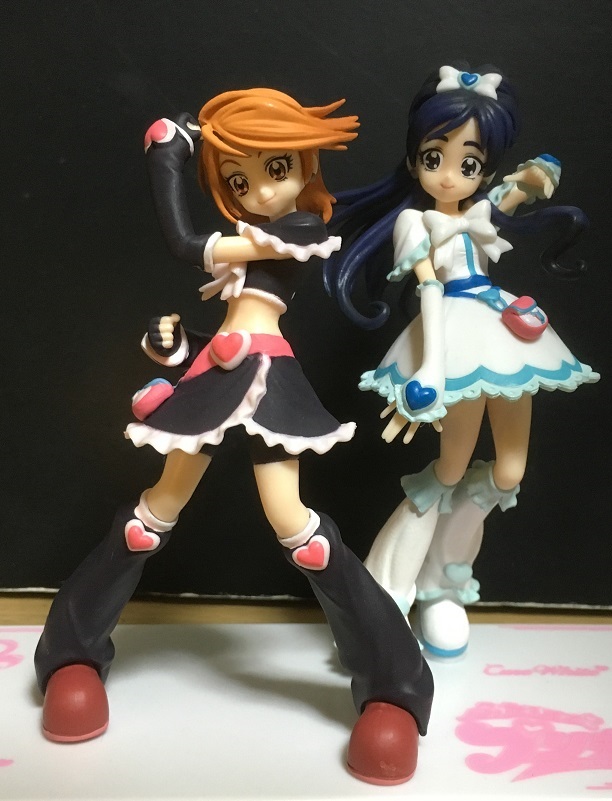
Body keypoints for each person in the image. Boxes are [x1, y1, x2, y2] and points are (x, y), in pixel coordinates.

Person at [34, 88, 433, 786]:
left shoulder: (301, 229)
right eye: (238, 181)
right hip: (216, 372)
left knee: (297, 527)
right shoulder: (248, 249)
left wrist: (166, 156)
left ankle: (394, 685)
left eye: (275, 169)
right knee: (152, 515)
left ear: (304, 166)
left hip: (268, 377)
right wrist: (174, 346)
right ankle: (70, 654)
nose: (259, 192)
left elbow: (184, 242)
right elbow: (228, 323)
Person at [324, 64, 599, 657]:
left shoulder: (482, 209)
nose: (449, 174)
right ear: (414, 160)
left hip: (504, 331)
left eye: (468, 163)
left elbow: (519, 190)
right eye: (435, 157)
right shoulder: (414, 221)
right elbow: (427, 289)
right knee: (448, 470)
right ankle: (388, 595)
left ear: (484, 169)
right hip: (454, 335)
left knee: (509, 472)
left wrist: (536, 175)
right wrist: (430, 369)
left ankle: (443, 583)